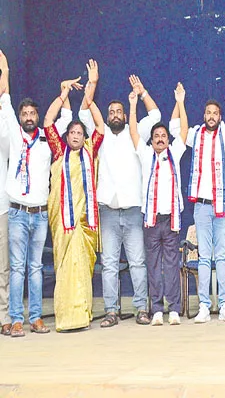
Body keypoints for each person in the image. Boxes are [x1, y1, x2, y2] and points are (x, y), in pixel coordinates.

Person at [0, 52, 72, 337]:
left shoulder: (46, 139)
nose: (29, 118)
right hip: (17, 212)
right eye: (25, 114)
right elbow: (4, 101)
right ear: (20, 118)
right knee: (17, 268)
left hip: (40, 214)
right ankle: (16, 319)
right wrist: (5, 69)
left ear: (38, 116)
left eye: (33, 114)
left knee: (36, 268)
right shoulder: (14, 137)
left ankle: (36, 318)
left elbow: (66, 117)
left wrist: (64, 92)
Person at [79, 69, 156, 328]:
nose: (114, 115)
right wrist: (92, 83)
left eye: (117, 112)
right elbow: (83, 112)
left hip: (133, 209)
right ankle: (111, 311)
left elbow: (155, 115)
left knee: (137, 263)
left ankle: (141, 309)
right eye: (110, 112)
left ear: (124, 116)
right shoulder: (99, 136)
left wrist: (143, 93)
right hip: (108, 210)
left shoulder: (135, 132)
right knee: (109, 264)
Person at [43, 72, 105, 332]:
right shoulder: (59, 151)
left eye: (81, 132)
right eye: (73, 132)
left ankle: (82, 314)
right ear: (67, 136)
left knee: (83, 269)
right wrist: (62, 96)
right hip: (64, 225)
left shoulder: (91, 150)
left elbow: (101, 128)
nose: (77, 135)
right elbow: (47, 122)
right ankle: (66, 317)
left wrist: (90, 100)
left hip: (86, 224)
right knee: (67, 268)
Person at [172, 97, 225, 323]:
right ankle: (203, 306)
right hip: (201, 205)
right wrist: (180, 102)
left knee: (221, 255)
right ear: (204, 115)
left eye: (215, 113)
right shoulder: (196, 134)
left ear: (220, 117)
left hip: (221, 204)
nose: (211, 116)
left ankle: (224, 304)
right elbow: (174, 127)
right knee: (204, 257)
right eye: (208, 113)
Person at [129, 82, 188, 326]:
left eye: (164, 136)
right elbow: (133, 132)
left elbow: (183, 129)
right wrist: (133, 106)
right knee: (153, 265)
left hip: (170, 219)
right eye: (157, 137)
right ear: (151, 141)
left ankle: (174, 308)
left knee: (172, 265)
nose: (161, 139)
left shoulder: (175, 153)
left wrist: (180, 102)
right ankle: (156, 310)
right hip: (151, 221)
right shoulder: (144, 155)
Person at [0, 51, 12, 336]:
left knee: (3, 269)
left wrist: (6, 71)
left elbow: (5, 101)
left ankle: (3, 316)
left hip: (1, 207)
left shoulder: (3, 128)